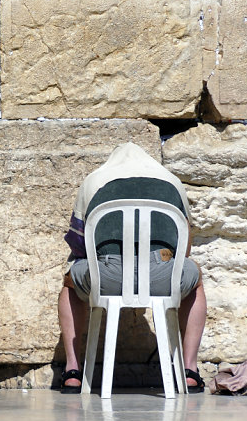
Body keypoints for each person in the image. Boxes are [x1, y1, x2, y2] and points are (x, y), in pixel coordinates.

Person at [57, 142, 207, 394]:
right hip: (162, 274)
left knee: (70, 283)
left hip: (107, 274)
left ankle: (72, 371)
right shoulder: (172, 182)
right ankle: (190, 371)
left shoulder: (94, 181)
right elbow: (185, 246)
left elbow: (79, 244)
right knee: (196, 280)